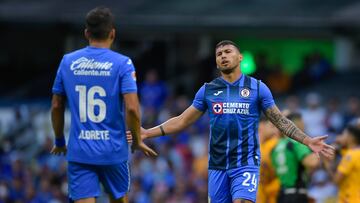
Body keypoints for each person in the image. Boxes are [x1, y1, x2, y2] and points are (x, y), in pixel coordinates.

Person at [128, 40, 335, 203]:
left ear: (240, 57)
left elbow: (280, 120)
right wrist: (147, 133)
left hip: (245, 163)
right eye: (219, 54)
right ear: (217, 62)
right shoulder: (208, 90)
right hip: (217, 165)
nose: (223, 56)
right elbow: (182, 120)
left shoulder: (258, 87)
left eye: (228, 52)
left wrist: (307, 141)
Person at [50, 7, 157, 203]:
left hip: (80, 152)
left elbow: (56, 105)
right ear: (112, 33)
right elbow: (132, 108)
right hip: (113, 152)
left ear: (86, 33)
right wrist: (136, 139)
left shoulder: (68, 62)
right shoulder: (123, 63)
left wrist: (58, 140)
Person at [271, 111, 320, 203]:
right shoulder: (296, 143)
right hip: (296, 195)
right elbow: (312, 163)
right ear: (297, 123)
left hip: (282, 195)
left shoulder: (275, 147)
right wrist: (318, 152)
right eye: (302, 122)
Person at [324, 118, 360, 203]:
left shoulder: (350, 156)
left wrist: (327, 164)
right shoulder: (354, 152)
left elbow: (336, 180)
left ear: (351, 137)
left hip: (350, 199)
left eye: (343, 134)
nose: (339, 136)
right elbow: (338, 148)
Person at [257, 116, 280, 203]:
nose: (275, 130)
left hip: (275, 196)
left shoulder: (274, 143)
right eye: (272, 126)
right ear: (261, 126)